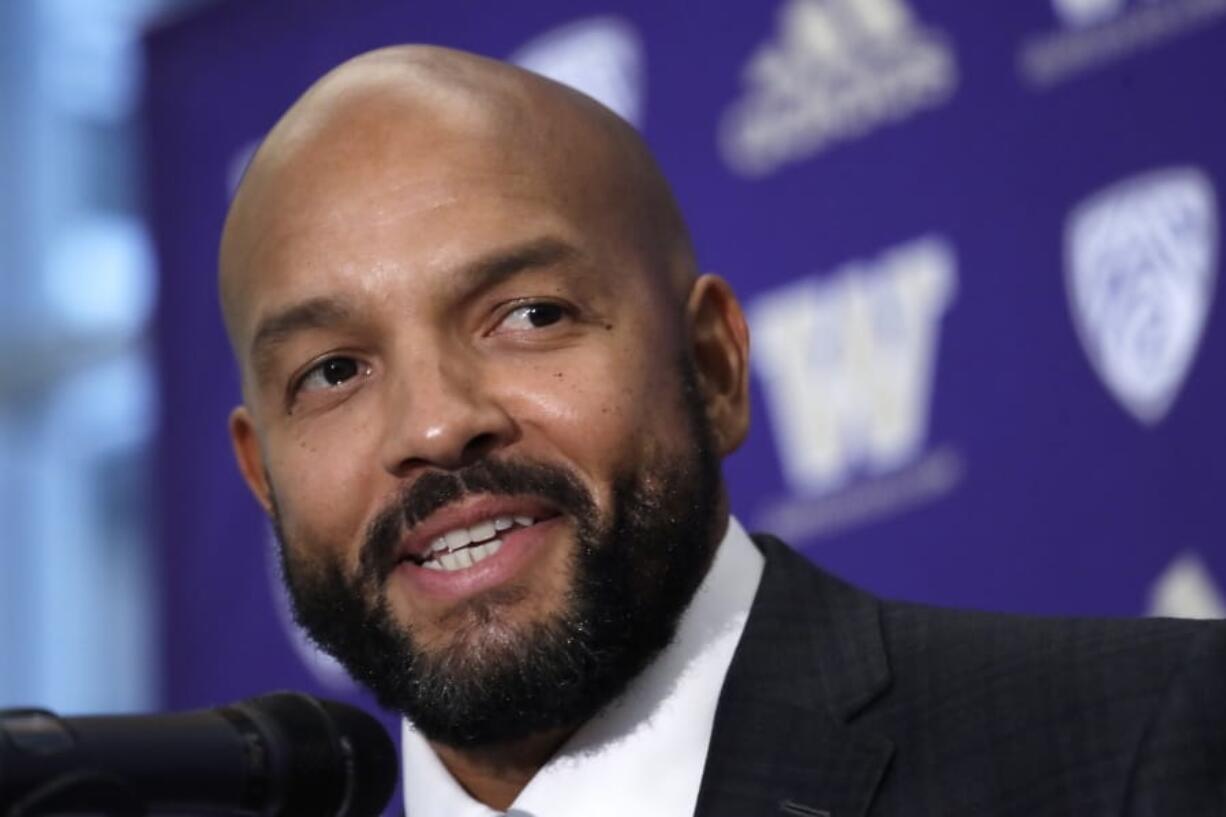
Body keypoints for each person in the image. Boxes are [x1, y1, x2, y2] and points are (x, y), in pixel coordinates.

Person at [218, 45, 1226, 817]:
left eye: (529, 315)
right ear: (265, 478)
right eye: (332, 372)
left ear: (712, 366)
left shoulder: (1142, 745)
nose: (434, 424)